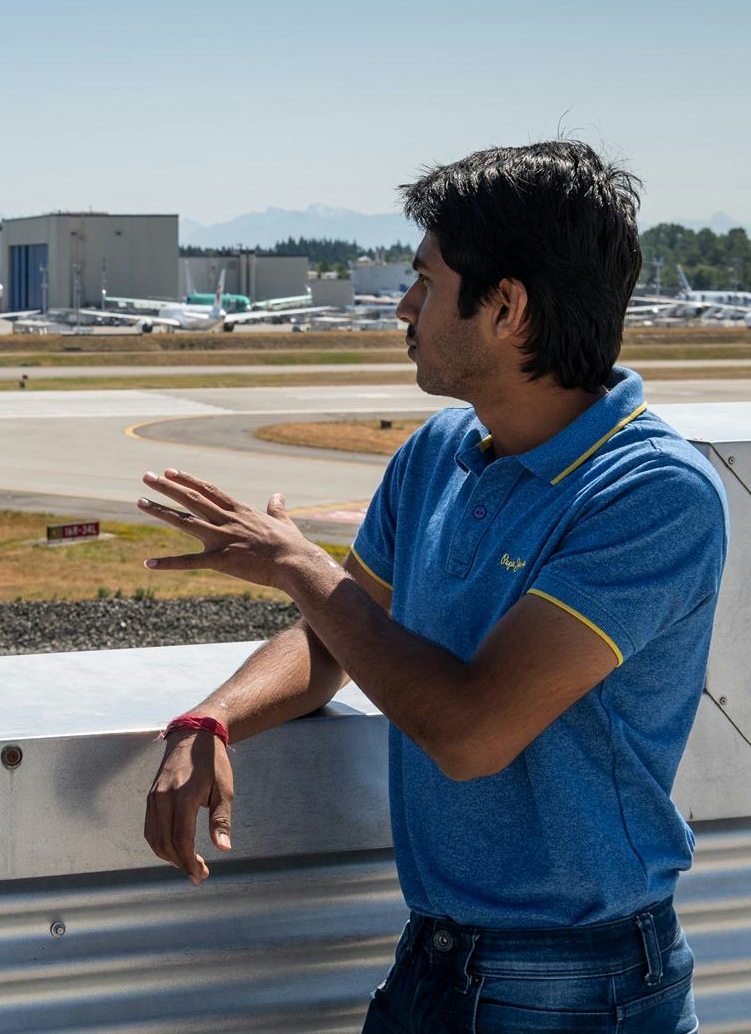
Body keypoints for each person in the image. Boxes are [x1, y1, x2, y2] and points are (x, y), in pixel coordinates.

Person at [135, 142, 726, 1031]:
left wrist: (300, 564)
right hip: (435, 957)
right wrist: (210, 720)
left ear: (508, 306)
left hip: (579, 985)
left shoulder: (650, 494)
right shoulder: (439, 453)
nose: (403, 306)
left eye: (425, 281)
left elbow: (470, 730)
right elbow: (340, 637)